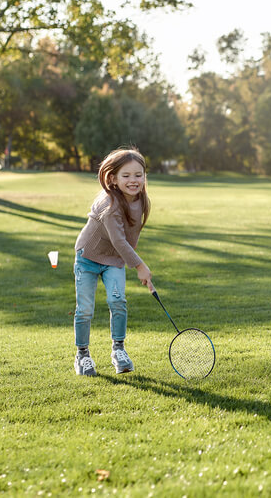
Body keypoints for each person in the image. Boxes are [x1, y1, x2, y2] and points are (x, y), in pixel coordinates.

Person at [73, 147, 155, 376]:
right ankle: (82, 355)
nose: (133, 180)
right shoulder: (109, 206)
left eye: (138, 175)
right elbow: (119, 240)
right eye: (126, 175)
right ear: (113, 178)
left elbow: (130, 236)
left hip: (114, 260)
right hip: (87, 258)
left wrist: (136, 263)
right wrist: (140, 266)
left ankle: (118, 350)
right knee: (85, 309)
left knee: (118, 301)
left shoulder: (141, 200)